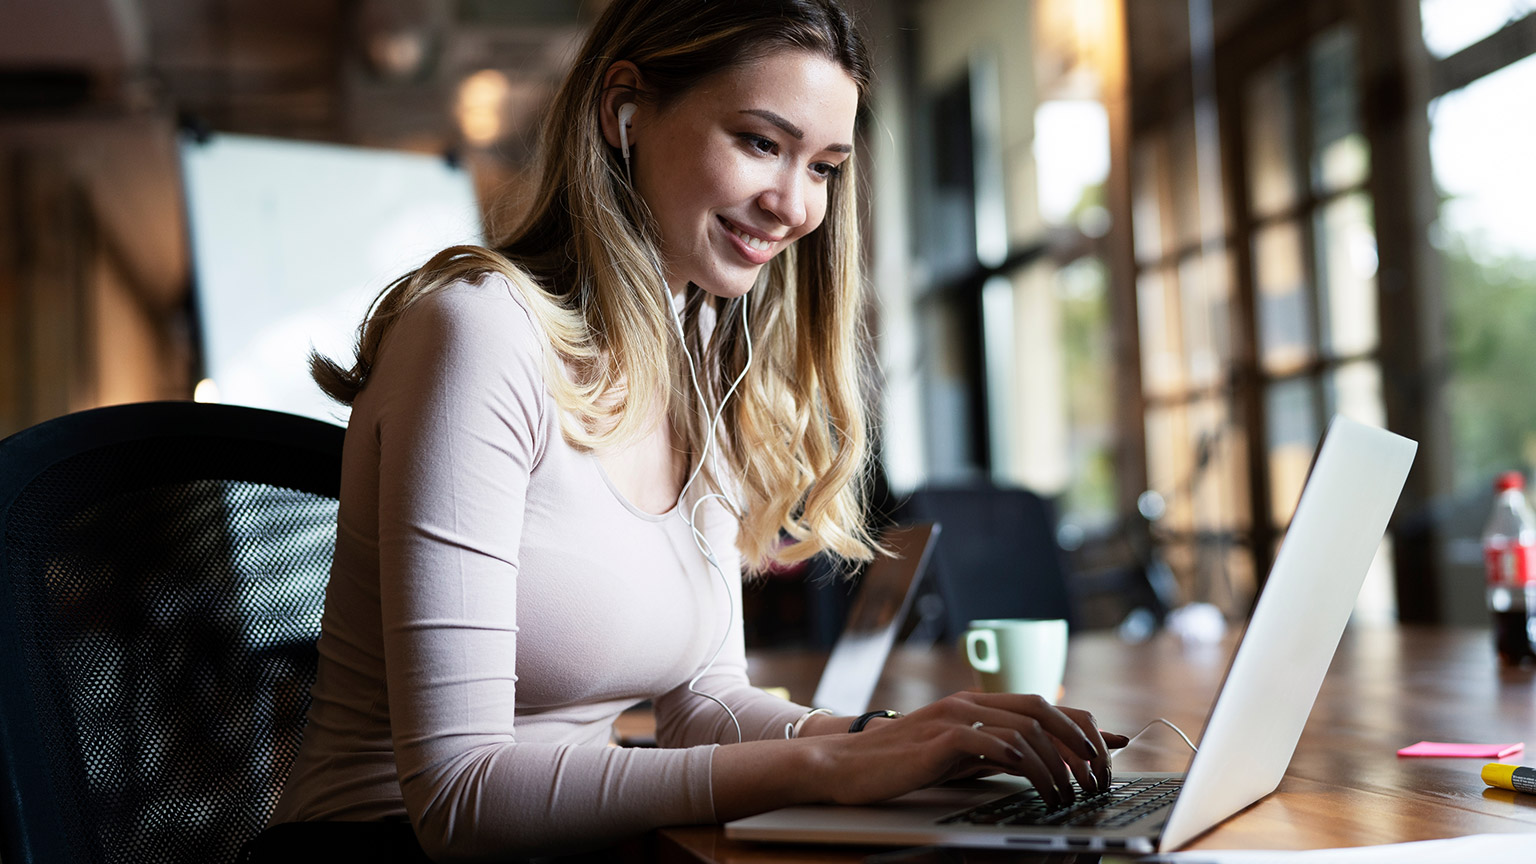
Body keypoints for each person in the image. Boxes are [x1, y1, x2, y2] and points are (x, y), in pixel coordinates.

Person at [256, 1, 1127, 861]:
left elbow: (704, 701)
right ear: (624, 111)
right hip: (377, 845)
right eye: (760, 142)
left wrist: (895, 740)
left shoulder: (703, 353)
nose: (795, 205)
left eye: (824, 166)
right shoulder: (480, 333)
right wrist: (825, 764)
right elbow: (461, 798)